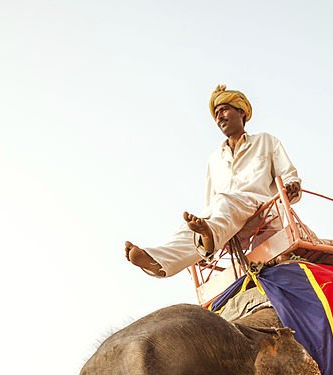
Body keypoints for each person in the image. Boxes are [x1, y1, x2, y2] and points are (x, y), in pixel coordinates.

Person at [125, 85, 301, 279]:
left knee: (224, 203)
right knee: (192, 225)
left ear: (241, 112)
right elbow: (211, 203)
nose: (219, 117)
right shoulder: (214, 159)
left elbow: (288, 174)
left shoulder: (265, 141)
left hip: (262, 212)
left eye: (224, 110)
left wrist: (292, 186)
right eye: (216, 113)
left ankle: (208, 240)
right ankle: (159, 261)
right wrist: (204, 227)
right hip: (230, 228)